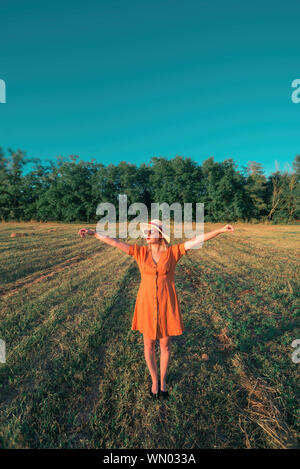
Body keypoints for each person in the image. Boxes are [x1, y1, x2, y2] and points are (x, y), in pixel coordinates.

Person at [78, 219, 234, 400]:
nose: (147, 235)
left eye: (151, 232)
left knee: (165, 345)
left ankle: (163, 381)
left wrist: (221, 230)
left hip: (167, 304)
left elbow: (197, 240)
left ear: (160, 234)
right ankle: (154, 381)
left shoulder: (173, 252)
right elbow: (115, 242)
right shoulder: (140, 252)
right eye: (146, 232)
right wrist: (93, 233)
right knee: (149, 345)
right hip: (146, 305)